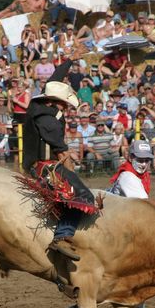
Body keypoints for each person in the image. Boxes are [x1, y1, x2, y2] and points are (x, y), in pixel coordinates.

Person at [65, 139, 155, 308]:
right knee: (119, 274)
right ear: (130, 157)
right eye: (139, 159)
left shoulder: (138, 175)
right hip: (111, 228)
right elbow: (144, 203)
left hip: (120, 224)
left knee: (138, 268)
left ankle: (139, 307)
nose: (143, 163)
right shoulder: (128, 176)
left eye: (146, 159)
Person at [21, 57, 94, 262]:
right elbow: (62, 153)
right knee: (83, 197)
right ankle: (62, 235)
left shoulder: (38, 107)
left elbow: (54, 79)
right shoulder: (48, 120)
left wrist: (69, 61)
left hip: (35, 164)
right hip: (46, 167)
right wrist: (73, 177)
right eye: (64, 104)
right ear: (55, 102)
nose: (65, 108)